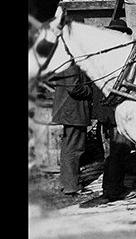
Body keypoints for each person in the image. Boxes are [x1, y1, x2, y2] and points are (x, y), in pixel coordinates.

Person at [96, 17, 136, 200]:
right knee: (118, 151)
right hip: (114, 112)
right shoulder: (115, 58)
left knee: (115, 152)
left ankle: (113, 187)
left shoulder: (102, 54)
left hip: (107, 113)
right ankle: (113, 190)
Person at [50, 58, 93, 195]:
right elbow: (74, 88)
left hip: (70, 112)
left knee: (69, 147)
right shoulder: (70, 64)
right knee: (74, 149)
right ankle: (72, 186)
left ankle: (68, 182)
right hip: (73, 112)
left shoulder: (64, 62)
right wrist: (91, 90)